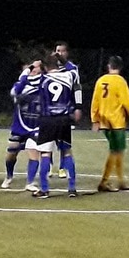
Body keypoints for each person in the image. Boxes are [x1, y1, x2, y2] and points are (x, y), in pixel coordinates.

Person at [32, 53, 83, 198]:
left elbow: (26, 77)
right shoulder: (69, 75)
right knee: (66, 152)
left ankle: (44, 189)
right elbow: (74, 69)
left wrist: (33, 67)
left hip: (47, 119)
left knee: (45, 154)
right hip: (64, 118)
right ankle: (72, 188)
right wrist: (62, 58)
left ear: (45, 67)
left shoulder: (42, 79)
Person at [91, 55, 129, 192]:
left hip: (104, 121)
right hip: (116, 122)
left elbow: (95, 101)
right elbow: (127, 101)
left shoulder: (101, 80)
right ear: (120, 67)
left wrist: (95, 119)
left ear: (109, 66)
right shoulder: (120, 81)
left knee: (118, 151)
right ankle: (104, 181)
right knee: (116, 151)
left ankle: (121, 181)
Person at [2, 60, 43, 191]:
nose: (33, 70)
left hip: (36, 126)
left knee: (34, 153)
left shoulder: (44, 84)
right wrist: (25, 75)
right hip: (20, 126)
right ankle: (9, 176)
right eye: (31, 68)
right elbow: (14, 93)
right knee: (11, 153)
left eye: (35, 68)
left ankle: (30, 182)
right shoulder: (21, 84)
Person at [51, 41, 82, 179]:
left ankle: (62, 167)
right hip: (49, 110)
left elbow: (77, 88)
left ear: (67, 53)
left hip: (65, 109)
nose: (59, 53)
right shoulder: (50, 67)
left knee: (64, 141)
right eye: (57, 50)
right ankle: (50, 166)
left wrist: (78, 106)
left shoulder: (72, 69)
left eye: (62, 51)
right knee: (49, 140)